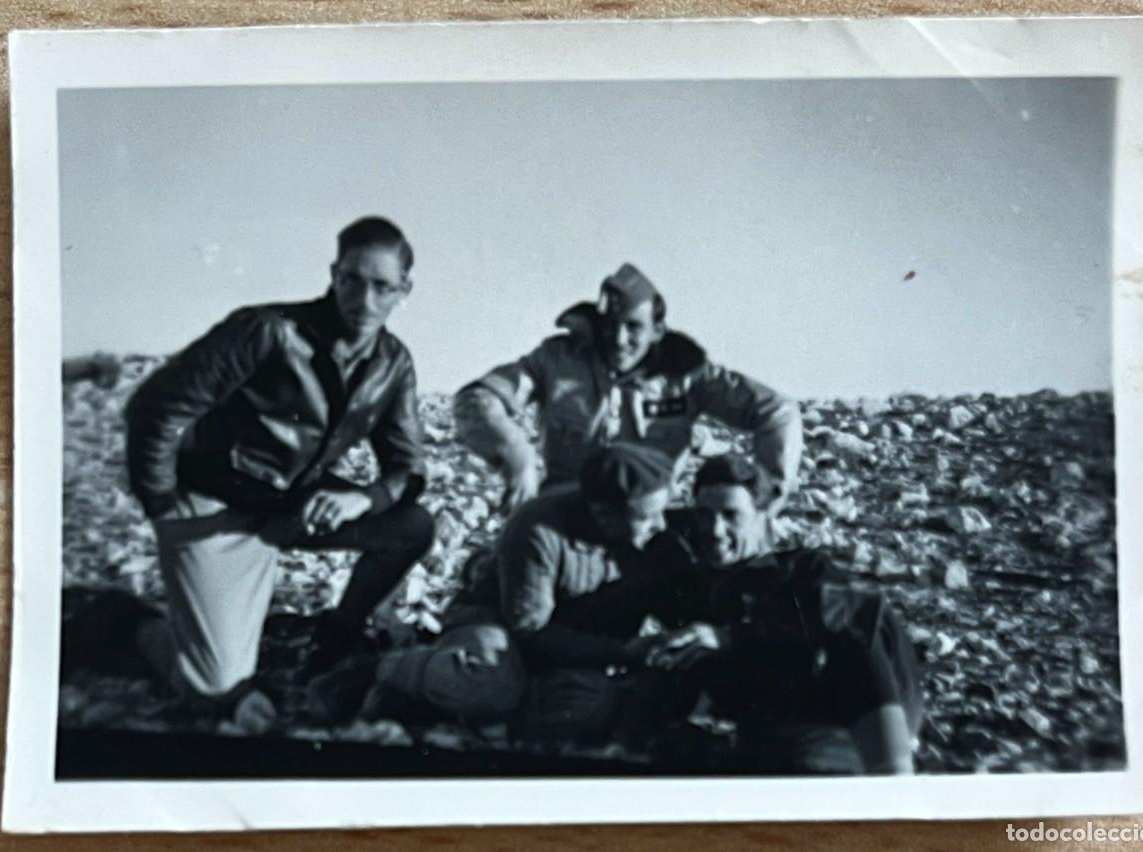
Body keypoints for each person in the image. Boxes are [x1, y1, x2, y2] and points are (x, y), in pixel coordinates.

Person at [109, 216, 434, 732]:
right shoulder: (267, 331)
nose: (364, 300)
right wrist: (163, 505)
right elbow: (156, 407)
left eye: (382, 287)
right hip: (214, 510)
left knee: (412, 526)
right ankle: (130, 622)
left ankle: (338, 635)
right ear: (334, 274)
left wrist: (364, 499)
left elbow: (408, 467)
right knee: (210, 689)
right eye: (352, 280)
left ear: (404, 290)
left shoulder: (394, 363)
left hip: (290, 510)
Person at [309, 441, 696, 743]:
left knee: (589, 708)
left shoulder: (659, 539)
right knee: (488, 686)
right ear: (602, 513)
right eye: (647, 519)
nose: (660, 526)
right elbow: (529, 629)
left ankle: (444, 704)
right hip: (498, 629)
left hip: (574, 655)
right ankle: (386, 668)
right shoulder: (539, 528)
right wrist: (622, 653)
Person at [647, 454, 924, 775]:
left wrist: (730, 637)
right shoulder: (686, 571)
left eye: (731, 516)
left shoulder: (800, 569)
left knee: (853, 614)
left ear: (763, 517)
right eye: (705, 515)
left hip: (830, 709)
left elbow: (839, 622)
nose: (715, 530)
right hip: (758, 718)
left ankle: (893, 769)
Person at [453, 263, 803, 512]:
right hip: (566, 517)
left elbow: (777, 412)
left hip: (648, 523)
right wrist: (516, 454)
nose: (619, 340)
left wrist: (766, 498)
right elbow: (478, 398)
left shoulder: (689, 375)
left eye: (634, 327)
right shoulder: (557, 361)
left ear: (657, 330)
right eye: (610, 326)